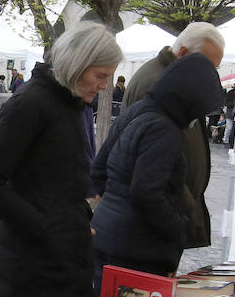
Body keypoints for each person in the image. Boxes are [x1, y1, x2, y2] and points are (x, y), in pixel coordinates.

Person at [0, 22, 122, 297]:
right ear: (77, 64)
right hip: (34, 270)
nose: (104, 85)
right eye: (100, 75)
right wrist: (43, 228)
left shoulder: (71, 104)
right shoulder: (29, 103)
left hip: (63, 263)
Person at [90, 53, 223, 284]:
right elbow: (146, 194)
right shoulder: (163, 129)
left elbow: (99, 170)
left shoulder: (139, 111)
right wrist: (178, 228)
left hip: (110, 236)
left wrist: (115, 205)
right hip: (137, 249)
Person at [115, 22, 225, 253]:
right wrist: (180, 221)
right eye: (207, 65)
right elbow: (149, 179)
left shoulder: (176, 83)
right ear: (184, 53)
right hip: (153, 228)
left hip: (165, 217)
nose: (211, 75)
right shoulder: (158, 85)